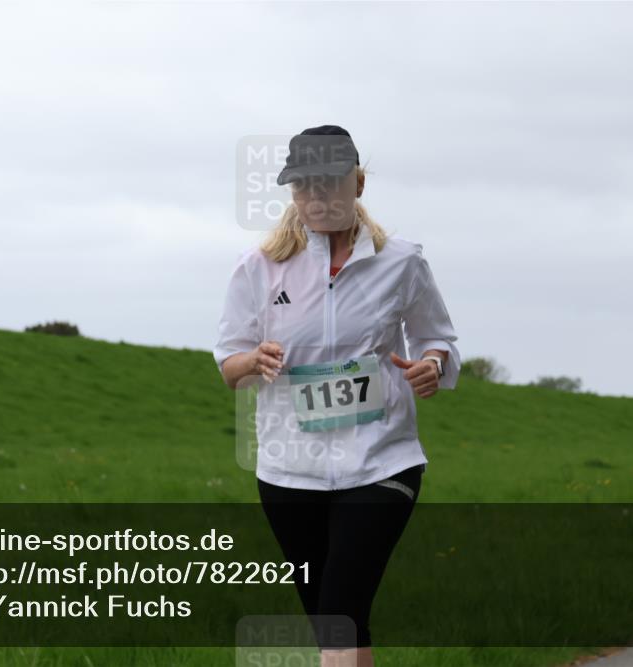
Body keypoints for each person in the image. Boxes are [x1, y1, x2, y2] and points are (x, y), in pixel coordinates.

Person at [213, 125, 460, 667]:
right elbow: (230, 363)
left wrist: (433, 366)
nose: (316, 197)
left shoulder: (402, 262)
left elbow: (437, 338)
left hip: (382, 460)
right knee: (337, 624)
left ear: (358, 184)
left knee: (341, 610)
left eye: (329, 183)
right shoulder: (258, 267)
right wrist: (253, 361)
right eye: (303, 186)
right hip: (289, 471)